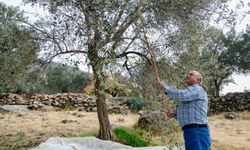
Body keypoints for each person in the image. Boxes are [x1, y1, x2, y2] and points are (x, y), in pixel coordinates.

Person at [157, 70, 211, 150]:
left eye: (191, 74)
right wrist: (174, 114)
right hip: (192, 131)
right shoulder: (192, 92)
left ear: (197, 80)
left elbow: (181, 95)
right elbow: (190, 111)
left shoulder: (197, 89)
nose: (187, 75)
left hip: (197, 131)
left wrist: (165, 88)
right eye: (187, 74)